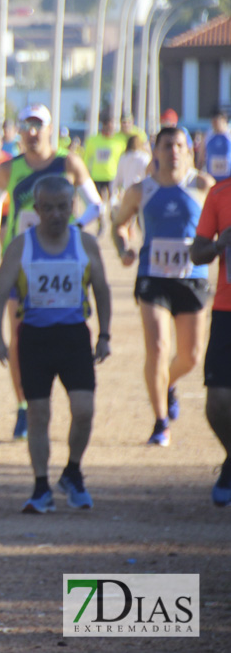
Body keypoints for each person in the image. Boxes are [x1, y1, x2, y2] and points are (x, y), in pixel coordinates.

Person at [0, 176, 111, 513]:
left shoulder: (85, 244)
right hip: (35, 340)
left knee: (84, 410)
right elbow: (0, 292)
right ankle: (41, 486)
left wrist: (105, 335)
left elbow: (101, 289)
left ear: (72, 207)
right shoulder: (21, 245)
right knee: (38, 414)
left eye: (63, 207)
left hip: (74, 337)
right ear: (37, 209)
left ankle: (72, 471)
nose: (56, 214)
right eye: (49, 208)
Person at [0, 104, 102, 440]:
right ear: (19, 131)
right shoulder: (9, 169)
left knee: (64, 330)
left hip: (62, 262)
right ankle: (24, 406)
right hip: (19, 263)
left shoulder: (69, 163)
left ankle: (68, 403)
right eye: (27, 126)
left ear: (50, 128)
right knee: (20, 336)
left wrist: (72, 228)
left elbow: (96, 204)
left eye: (39, 125)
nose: (32, 132)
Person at [112, 126, 214, 447]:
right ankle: (160, 422)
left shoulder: (202, 186)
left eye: (179, 145)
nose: (173, 151)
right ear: (154, 151)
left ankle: (167, 384)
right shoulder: (141, 191)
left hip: (192, 277)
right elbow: (120, 226)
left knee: (191, 356)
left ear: (189, 150)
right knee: (157, 348)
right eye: (167, 145)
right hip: (152, 276)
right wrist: (124, 248)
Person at [190, 178, 231, 505]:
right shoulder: (219, 194)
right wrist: (219, 245)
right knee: (217, 403)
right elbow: (197, 252)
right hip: (226, 311)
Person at [82, 115, 127, 234]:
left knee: (114, 203)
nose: (110, 129)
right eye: (108, 126)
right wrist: (86, 172)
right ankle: (101, 223)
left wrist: (122, 177)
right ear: (103, 126)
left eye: (112, 126)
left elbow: (123, 160)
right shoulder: (93, 140)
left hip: (113, 177)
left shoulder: (119, 142)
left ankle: (115, 225)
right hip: (97, 176)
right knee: (98, 204)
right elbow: (87, 158)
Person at [109, 134, 152, 210]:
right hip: (141, 190)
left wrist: (114, 190)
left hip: (126, 190)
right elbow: (147, 175)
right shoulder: (144, 157)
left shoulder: (123, 157)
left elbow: (118, 176)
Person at [205, 110, 230, 182]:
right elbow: (201, 156)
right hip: (212, 178)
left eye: (216, 122)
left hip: (228, 179)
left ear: (223, 121)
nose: (214, 125)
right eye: (213, 123)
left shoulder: (229, 134)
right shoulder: (208, 135)